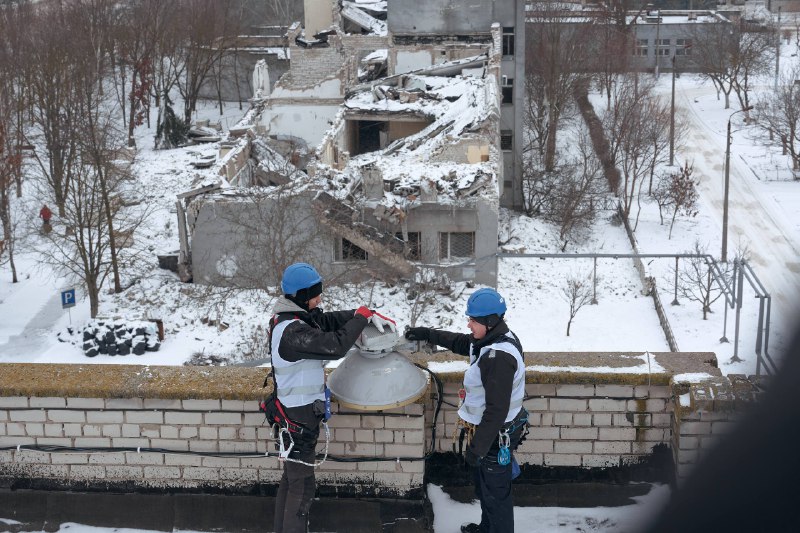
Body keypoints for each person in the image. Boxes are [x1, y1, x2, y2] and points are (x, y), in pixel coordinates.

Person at [269, 262, 395, 533]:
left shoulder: (296, 319)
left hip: (296, 414)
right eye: (316, 294)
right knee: (302, 488)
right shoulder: (292, 332)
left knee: (292, 482)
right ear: (302, 295)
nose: (320, 298)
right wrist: (360, 319)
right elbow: (334, 345)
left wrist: (364, 314)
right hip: (297, 418)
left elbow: (326, 321)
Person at [405, 288, 527, 533]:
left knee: (496, 496)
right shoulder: (492, 338)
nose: (469, 324)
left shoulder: (498, 357)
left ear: (490, 322)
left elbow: (496, 410)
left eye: (473, 319)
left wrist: (477, 449)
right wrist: (429, 333)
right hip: (491, 433)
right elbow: (461, 342)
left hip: (496, 435)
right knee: (486, 490)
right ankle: (486, 529)